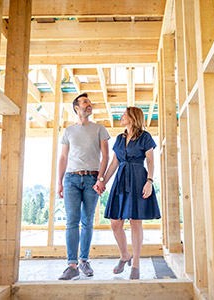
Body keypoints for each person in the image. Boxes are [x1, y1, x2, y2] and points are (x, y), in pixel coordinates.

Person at [100, 106, 161, 280]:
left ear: (133, 118)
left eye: (124, 115)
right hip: (120, 181)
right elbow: (114, 164)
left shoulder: (145, 137)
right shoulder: (119, 139)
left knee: (135, 222)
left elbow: (150, 161)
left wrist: (149, 182)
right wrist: (103, 181)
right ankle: (124, 255)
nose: (121, 117)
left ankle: (135, 264)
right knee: (115, 223)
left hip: (139, 179)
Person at [57, 93, 110, 280]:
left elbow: (106, 156)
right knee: (72, 221)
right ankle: (72, 265)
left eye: (89, 103)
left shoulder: (99, 129)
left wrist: (101, 178)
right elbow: (63, 158)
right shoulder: (68, 131)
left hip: (91, 179)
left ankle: (84, 261)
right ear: (76, 108)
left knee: (87, 221)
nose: (89, 105)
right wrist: (59, 182)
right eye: (85, 103)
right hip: (71, 179)